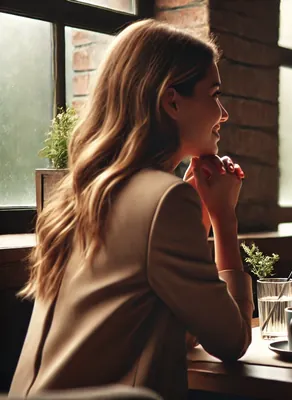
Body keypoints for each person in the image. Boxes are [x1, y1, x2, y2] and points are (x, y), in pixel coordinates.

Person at [10, 20, 253, 399]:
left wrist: (201, 217)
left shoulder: (80, 193)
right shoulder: (166, 200)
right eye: (214, 94)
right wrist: (224, 218)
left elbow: (185, 328)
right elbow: (231, 340)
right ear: (171, 101)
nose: (223, 113)